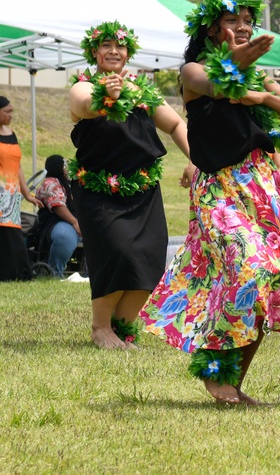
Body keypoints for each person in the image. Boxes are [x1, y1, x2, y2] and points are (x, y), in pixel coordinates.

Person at [141, 0, 280, 405]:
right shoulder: (193, 72)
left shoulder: (259, 76)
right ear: (212, 29)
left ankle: (229, 380)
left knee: (273, 281)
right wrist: (239, 61)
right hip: (219, 189)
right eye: (233, 21)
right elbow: (217, 84)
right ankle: (216, 370)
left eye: (248, 20)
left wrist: (265, 94)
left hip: (264, 187)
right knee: (249, 269)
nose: (244, 27)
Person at [68, 22, 195, 348]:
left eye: (120, 46)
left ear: (127, 53)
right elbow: (84, 106)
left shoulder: (142, 92)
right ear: (95, 52)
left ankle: (121, 329)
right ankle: (100, 328)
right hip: (99, 189)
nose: (114, 51)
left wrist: (197, 159)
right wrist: (106, 97)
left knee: (149, 256)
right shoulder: (83, 86)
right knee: (117, 252)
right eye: (106, 46)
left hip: (142, 190)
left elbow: (176, 124)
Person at [0, 96, 42, 282]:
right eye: (7, 111)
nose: (11, 115)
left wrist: (27, 194)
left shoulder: (11, 133)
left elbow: (17, 167)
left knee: (12, 232)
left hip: (11, 194)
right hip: (1, 191)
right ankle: (19, 274)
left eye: (11, 111)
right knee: (8, 234)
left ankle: (16, 274)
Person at [34, 154, 83, 277]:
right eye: (64, 166)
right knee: (64, 237)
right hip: (56, 222)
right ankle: (55, 272)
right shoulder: (50, 182)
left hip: (76, 223)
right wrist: (75, 222)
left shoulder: (69, 183)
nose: (66, 169)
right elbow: (57, 205)